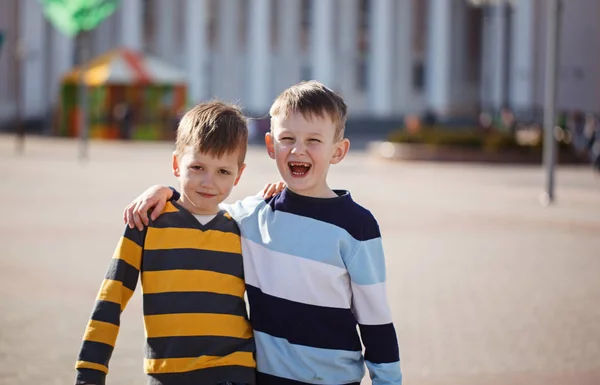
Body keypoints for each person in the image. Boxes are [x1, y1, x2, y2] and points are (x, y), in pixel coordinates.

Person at [124, 81, 402, 385]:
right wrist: (165, 192)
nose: (298, 149)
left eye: (313, 140)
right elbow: (203, 207)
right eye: (287, 138)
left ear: (339, 151)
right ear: (271, 146)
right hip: (263, 379)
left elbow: (376, 322)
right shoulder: (252, 215)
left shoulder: (357, 226)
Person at [75, 101, 260, 385]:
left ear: (240, 174)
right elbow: (111, 298)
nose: (208, 182)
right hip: (168, 373)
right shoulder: (147, 223)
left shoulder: (243, 227)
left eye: (223, 171)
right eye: (197, 167)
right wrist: (90, 370)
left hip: (234, 371)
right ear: (176, 164)